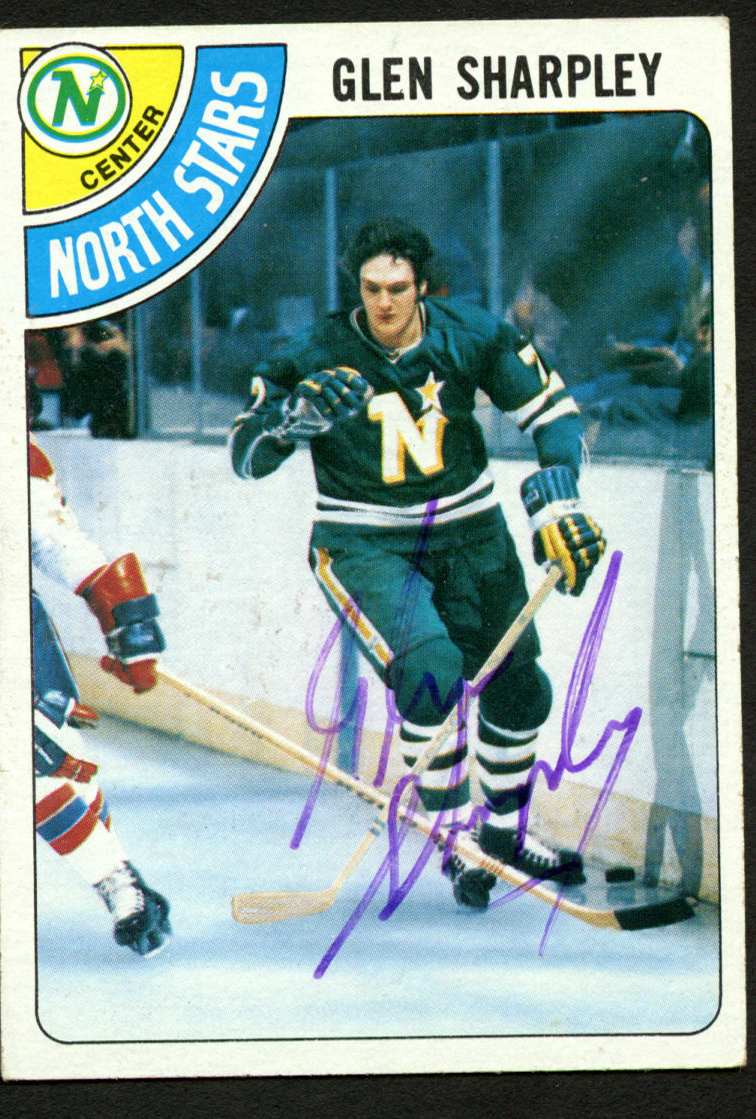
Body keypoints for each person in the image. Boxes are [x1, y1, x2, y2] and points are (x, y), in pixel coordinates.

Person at [230, 219, 605, 910]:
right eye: (371, 288)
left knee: (521, 687)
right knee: (431, 673)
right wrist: (290, 424)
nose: (383, 302)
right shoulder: (313, 350)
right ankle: (456, 841)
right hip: (363, 541)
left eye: (397, 288)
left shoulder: (471, 333)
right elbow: (245, 459)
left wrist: (559, 494)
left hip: (470, 532)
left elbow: (554, 414)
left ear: (422, 285)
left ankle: (501, 835)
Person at [30, 435, 171, 954]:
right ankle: (118, 879)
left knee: (51, 758)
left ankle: (118, 881)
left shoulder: (1, 438)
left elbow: (48, 536)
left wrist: (126, 623)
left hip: (1, 621)